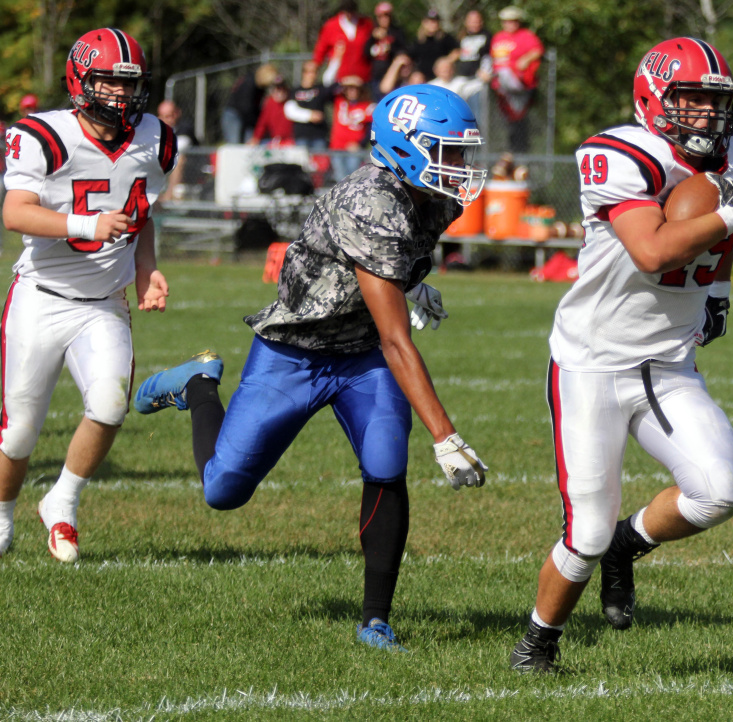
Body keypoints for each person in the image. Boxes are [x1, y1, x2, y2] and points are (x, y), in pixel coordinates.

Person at [131, 84, 489, 651]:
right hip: (296, 350)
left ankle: (375, 619)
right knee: (222, 490)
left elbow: (386, 276)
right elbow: (398, 339)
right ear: (405, 147)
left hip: (361, 351)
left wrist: (413, 283)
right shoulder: (369, 200)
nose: (461, 167)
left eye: (461, 152)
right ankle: (198, 383)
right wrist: (446, 436)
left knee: (385, 460)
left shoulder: (435, 196)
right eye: (446, 152)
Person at [508, 38, 733, 673]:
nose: (707, 117)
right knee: (585, 532)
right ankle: (537, 642)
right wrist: (731, 213)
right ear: (654, 99)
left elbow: (728, 231)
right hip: (592, 362)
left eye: (716, 103)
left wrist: (714, 291)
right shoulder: (621, 153)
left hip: (667, 363)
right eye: (691, 101)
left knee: (718, 490)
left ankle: (631, 545)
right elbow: (653, 252)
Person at [0, 28, 171, 562]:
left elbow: (142, 212)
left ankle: (62, 501)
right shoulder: (43, 135)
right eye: (107, 82)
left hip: (103, 302)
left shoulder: (156, 137)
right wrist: (86, 223)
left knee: (110, 403)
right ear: (80, 81)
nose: (121, 95)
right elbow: (14, 212)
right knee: (20, 433)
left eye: (130, 84)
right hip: (41, 296)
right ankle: (2, 513)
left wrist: (146, 268)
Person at [488, 6, 545, 153]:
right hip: (500, 88)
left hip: (519, 83)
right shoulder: (498, 37)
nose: (509, 24)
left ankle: (519, 155)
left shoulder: (526, 36)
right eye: (506, 21)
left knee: (504, 71)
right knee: (509, 123)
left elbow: (538, 50)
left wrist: (526, 59)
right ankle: (506, 154)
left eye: (513, 21)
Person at [313, 0, 374, 88]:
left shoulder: (366, 24)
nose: (349, 15)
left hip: (363, 78)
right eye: (346, 11)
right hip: (340, 79)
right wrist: (315, 68)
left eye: (351, 11)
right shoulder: (331, 26)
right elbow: (320, 50)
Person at [329, 76, 375, 182]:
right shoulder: (339, 102)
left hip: (354, 148)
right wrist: (343, 81)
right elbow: (326, 91)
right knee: (339, 177)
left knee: (353, 177)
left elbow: (370, 130)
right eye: (349, 89)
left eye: (355, 89)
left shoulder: (367, 106)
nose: (352, 92)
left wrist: (360, 144)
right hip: (337, 146)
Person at [284, 60, 335, 151]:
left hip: (319, 135)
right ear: (304, 73)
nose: (312, 75)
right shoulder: (295, 91)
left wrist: (336, 59)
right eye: (309, 72)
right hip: (302, 136)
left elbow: (330, 79)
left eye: (315, 72)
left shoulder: (320, 89)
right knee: (302, 163)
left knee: (320, 163)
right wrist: (309, 115)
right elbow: (289, 111)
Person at [222, 63, 278, 144]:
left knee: (249, 144)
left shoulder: (259, 87)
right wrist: (256, 121)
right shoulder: (249, 82)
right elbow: (246, 107)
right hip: (234, 115)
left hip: (247, 119)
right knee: (234, 144)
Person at [365, 1, 408, 103]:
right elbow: (365, 53)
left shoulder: (397, 32)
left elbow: (404, 50)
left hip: (392, 75)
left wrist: (391, 47)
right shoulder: (372, 33)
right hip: (375, 76)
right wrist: (372, 38)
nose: (384, 19)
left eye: (387, 16)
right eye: (381, 16)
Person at [156, 100, 199, 201]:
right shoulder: (157, 130)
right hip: (166, 165)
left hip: (192, 168)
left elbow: (181, 147)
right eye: (166, 116)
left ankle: (168, 196)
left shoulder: (185, 127)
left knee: (178, 160)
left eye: (172, 114)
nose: (170, 119)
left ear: (178, 112)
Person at [451, 9, 492, 115]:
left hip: (477, 79)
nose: (474, 23)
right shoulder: (462, 37)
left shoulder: (487, 36)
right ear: (466, 22)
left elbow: (488, 57)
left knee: (477, 112)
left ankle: (479, 131)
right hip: (461, 77)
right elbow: (457, 54)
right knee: (456, 108)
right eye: (471, 21)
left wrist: (485, 71)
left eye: (477, 20)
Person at [408, 10, 459, 82]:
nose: (433, 24)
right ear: (424, 22)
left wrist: (445, 63)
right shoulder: (418, 41)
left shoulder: (445, 38)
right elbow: (411, 58)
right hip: (423, 77)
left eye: (435, 21)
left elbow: (456, 51)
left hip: (441, 77)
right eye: (430, 21)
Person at [249, 77, 294, 147]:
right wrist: (256, 137)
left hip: (290, 141)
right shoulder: (269, 103)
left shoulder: (291, 103)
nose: (280, 92)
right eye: (277, 89)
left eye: (282, 89)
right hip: (275, 141)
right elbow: (262, 123)